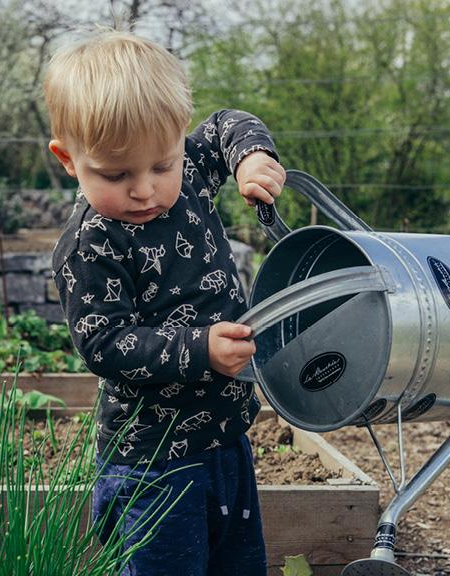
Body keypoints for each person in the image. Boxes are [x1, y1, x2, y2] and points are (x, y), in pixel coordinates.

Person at [44, 29, 286, 576]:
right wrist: (198, 348)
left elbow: (227, 123)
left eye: (162, 165)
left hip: (227, 441)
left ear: (178, 141)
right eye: (115, 174)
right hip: (152, 465)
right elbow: (104, 343)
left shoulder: (192, 170)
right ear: (67, 160)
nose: (145, 190)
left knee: (239, 566)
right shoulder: (93, 243)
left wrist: (250, 158)